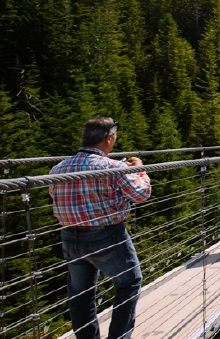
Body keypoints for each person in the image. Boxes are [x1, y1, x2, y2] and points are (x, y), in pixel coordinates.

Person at [49, 117, 151, 339]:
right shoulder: (113, 167)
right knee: (130, 282)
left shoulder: (58, 168)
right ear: (109, 138)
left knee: (81, 294)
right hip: (107, 236)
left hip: (69, 236)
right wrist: (139, 170)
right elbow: (141, 194)